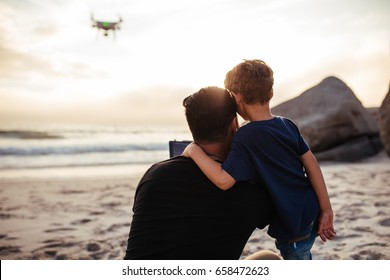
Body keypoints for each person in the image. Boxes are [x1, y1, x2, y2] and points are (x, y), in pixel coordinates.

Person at [183, 60, 336, 260]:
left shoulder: (246, 136)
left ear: (236, 98)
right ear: (271, 93)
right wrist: (326, 209)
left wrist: (192, 150)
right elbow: (312, 164)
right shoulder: (286, 124)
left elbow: (223, 180)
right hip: (310, 211)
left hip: (291, 224)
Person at [124, 86, 280, 260]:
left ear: (193, 128)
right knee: (268, 258)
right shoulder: (251, 191)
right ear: (234, 125)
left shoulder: (154, 175)